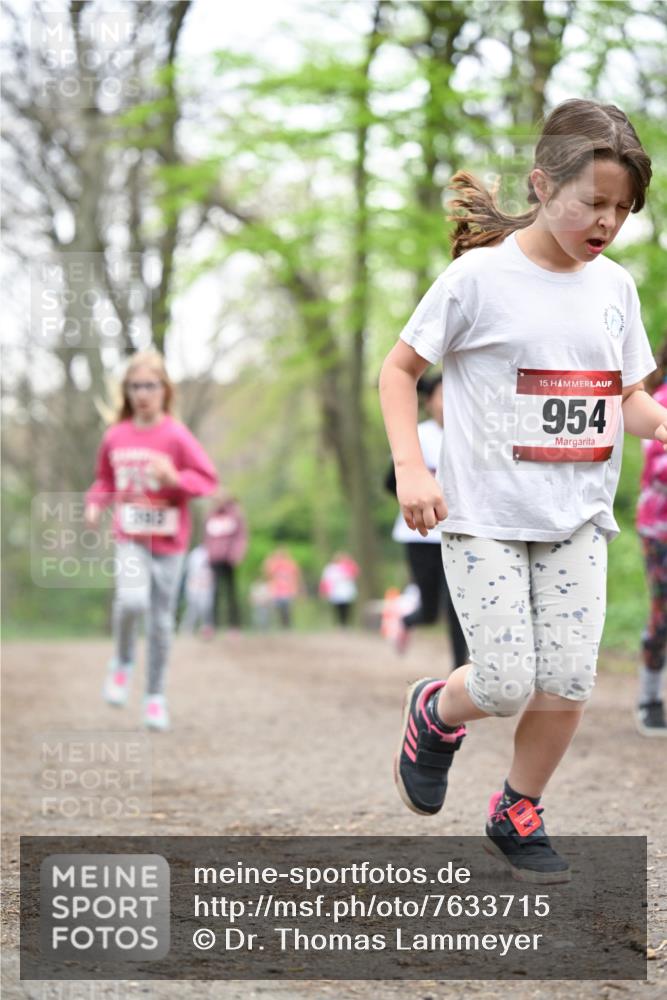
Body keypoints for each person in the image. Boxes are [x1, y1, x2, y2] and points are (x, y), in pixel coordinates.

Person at [379, 99, 662, 883]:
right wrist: (411, 466)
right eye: (592, 203)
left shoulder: (614, 288)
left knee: (567, 678)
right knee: (504, 680)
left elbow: (627, 396)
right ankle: (433, 714)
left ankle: (516, 807)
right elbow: (398, 369)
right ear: (543, 185)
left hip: (575, 515)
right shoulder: (478, 279)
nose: (606, 222)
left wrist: (659, 422)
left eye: (622, 209)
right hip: (484, 517)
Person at [85, 349, 218, 730]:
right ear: (126, 391)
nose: (143, 393)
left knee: (161, 623)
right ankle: (123, 661)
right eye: (135, 386)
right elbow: (104, 480)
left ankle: (155, 696)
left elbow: (207, 480)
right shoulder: (115, 436)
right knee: (131, 600)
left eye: (150, 385)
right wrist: (96, 504)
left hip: (170, 544)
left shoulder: (176, 435)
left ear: (165, 389)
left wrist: (175, 479)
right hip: (130, 537)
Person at [385, 373, 468, 664]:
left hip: (460, 532)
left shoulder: (472, 435)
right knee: (431, 610)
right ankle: (407, 621)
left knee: (458, 603)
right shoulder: (418, 436)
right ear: (429, 401)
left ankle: (461, 672)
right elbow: (388, 482)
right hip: (419, 535)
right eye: (443, 396)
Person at [635, 337, 667, 736]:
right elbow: (657, 464)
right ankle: (649, 697)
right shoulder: (657, 400)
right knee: (663, 614)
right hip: (660, 528)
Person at [204, 490, 248, 633]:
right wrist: (208, 554)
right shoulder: (211, 515)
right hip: (214, 559)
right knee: (214, 592)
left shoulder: (235, 514)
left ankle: (234, 625)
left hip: (230, 559)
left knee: (231, 592)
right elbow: (207, 538)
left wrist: (237, 554)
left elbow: (241, 536)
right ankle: (211, 625)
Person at [180, 544, 214, 637]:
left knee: (205, 608)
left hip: (205, 586)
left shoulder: (210, 553)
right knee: (192, 609)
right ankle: (187, 629)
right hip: (194, 586)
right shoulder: (195, 555)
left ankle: (206, 629)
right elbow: (189, 572)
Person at [263, 548, 302, 628]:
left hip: (288, 591)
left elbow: (296, 576)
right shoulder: (274, 565)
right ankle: (281, 626)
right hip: (277, 591)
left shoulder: (290, 565)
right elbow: (267, 573)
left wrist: (295, 588)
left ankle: (287, 626)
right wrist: (269, 560)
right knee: (278, 610)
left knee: (287, 610)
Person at [319, 552, 360, 626]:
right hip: (336, 590)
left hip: (346, 590)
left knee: (346, 607)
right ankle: (339, 622)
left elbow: (354, 575)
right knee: (337, 607)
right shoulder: (331, 568)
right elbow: (327, 579)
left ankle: (345, 622)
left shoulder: (348, 566)